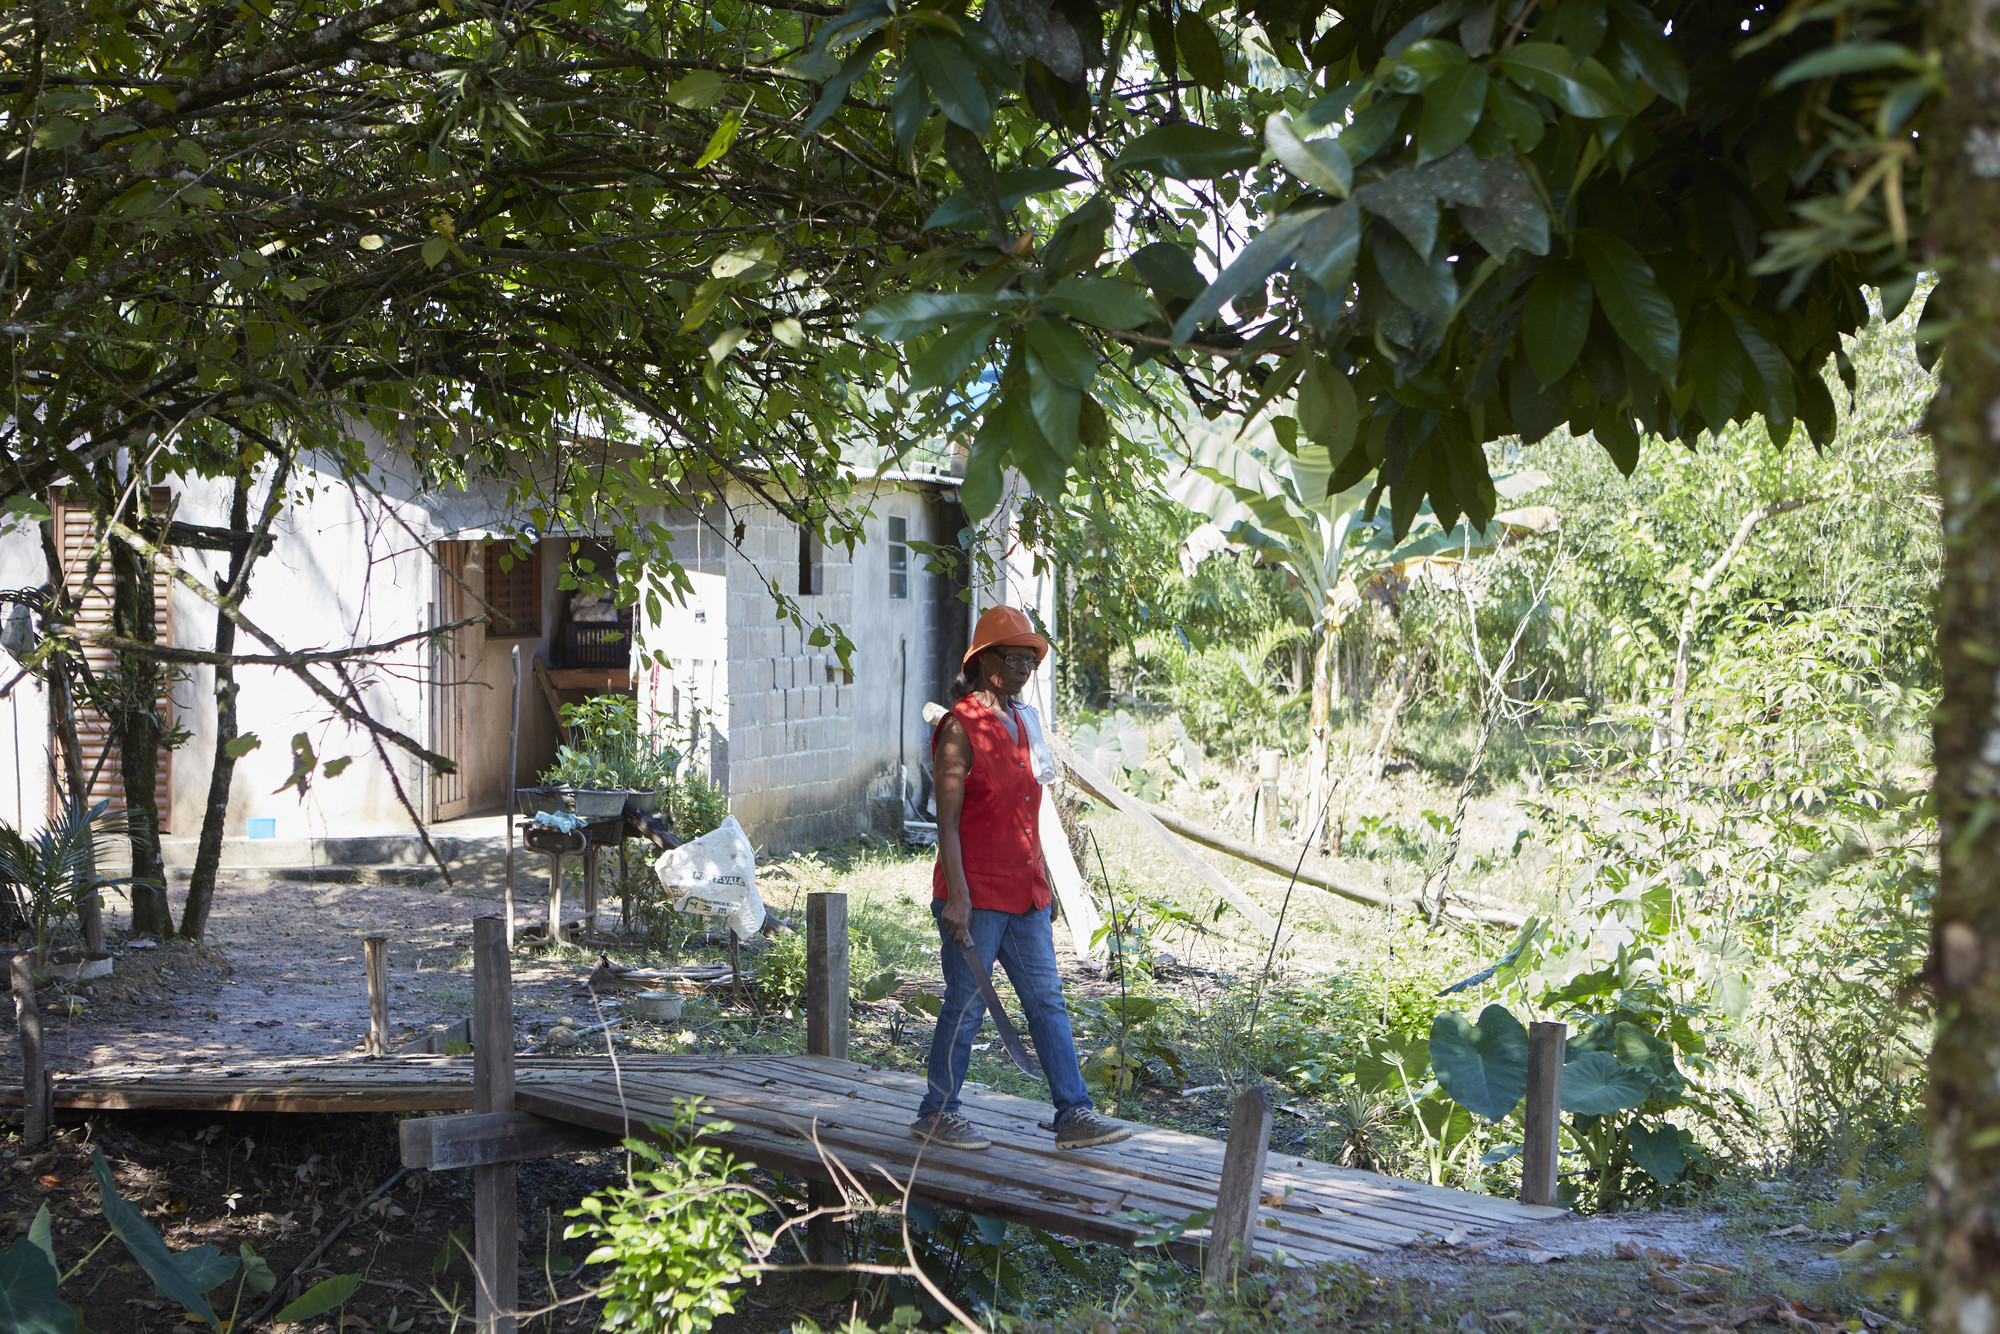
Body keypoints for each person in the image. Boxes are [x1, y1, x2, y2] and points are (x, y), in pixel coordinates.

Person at [909, 605, 1131, 1152]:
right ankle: (936, 1113)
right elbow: (949, 824)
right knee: (966, 1004)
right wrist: (957, 898)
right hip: (976, 898)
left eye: (1031, 660)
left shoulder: (1022, 722)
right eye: (1016, 659)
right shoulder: (959, 729)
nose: (1026, 670)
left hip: (1025, 895)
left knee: (1048, 1003)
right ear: (985, 663)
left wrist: (1046, 884)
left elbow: (1030, 811)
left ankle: (1074, 1113)